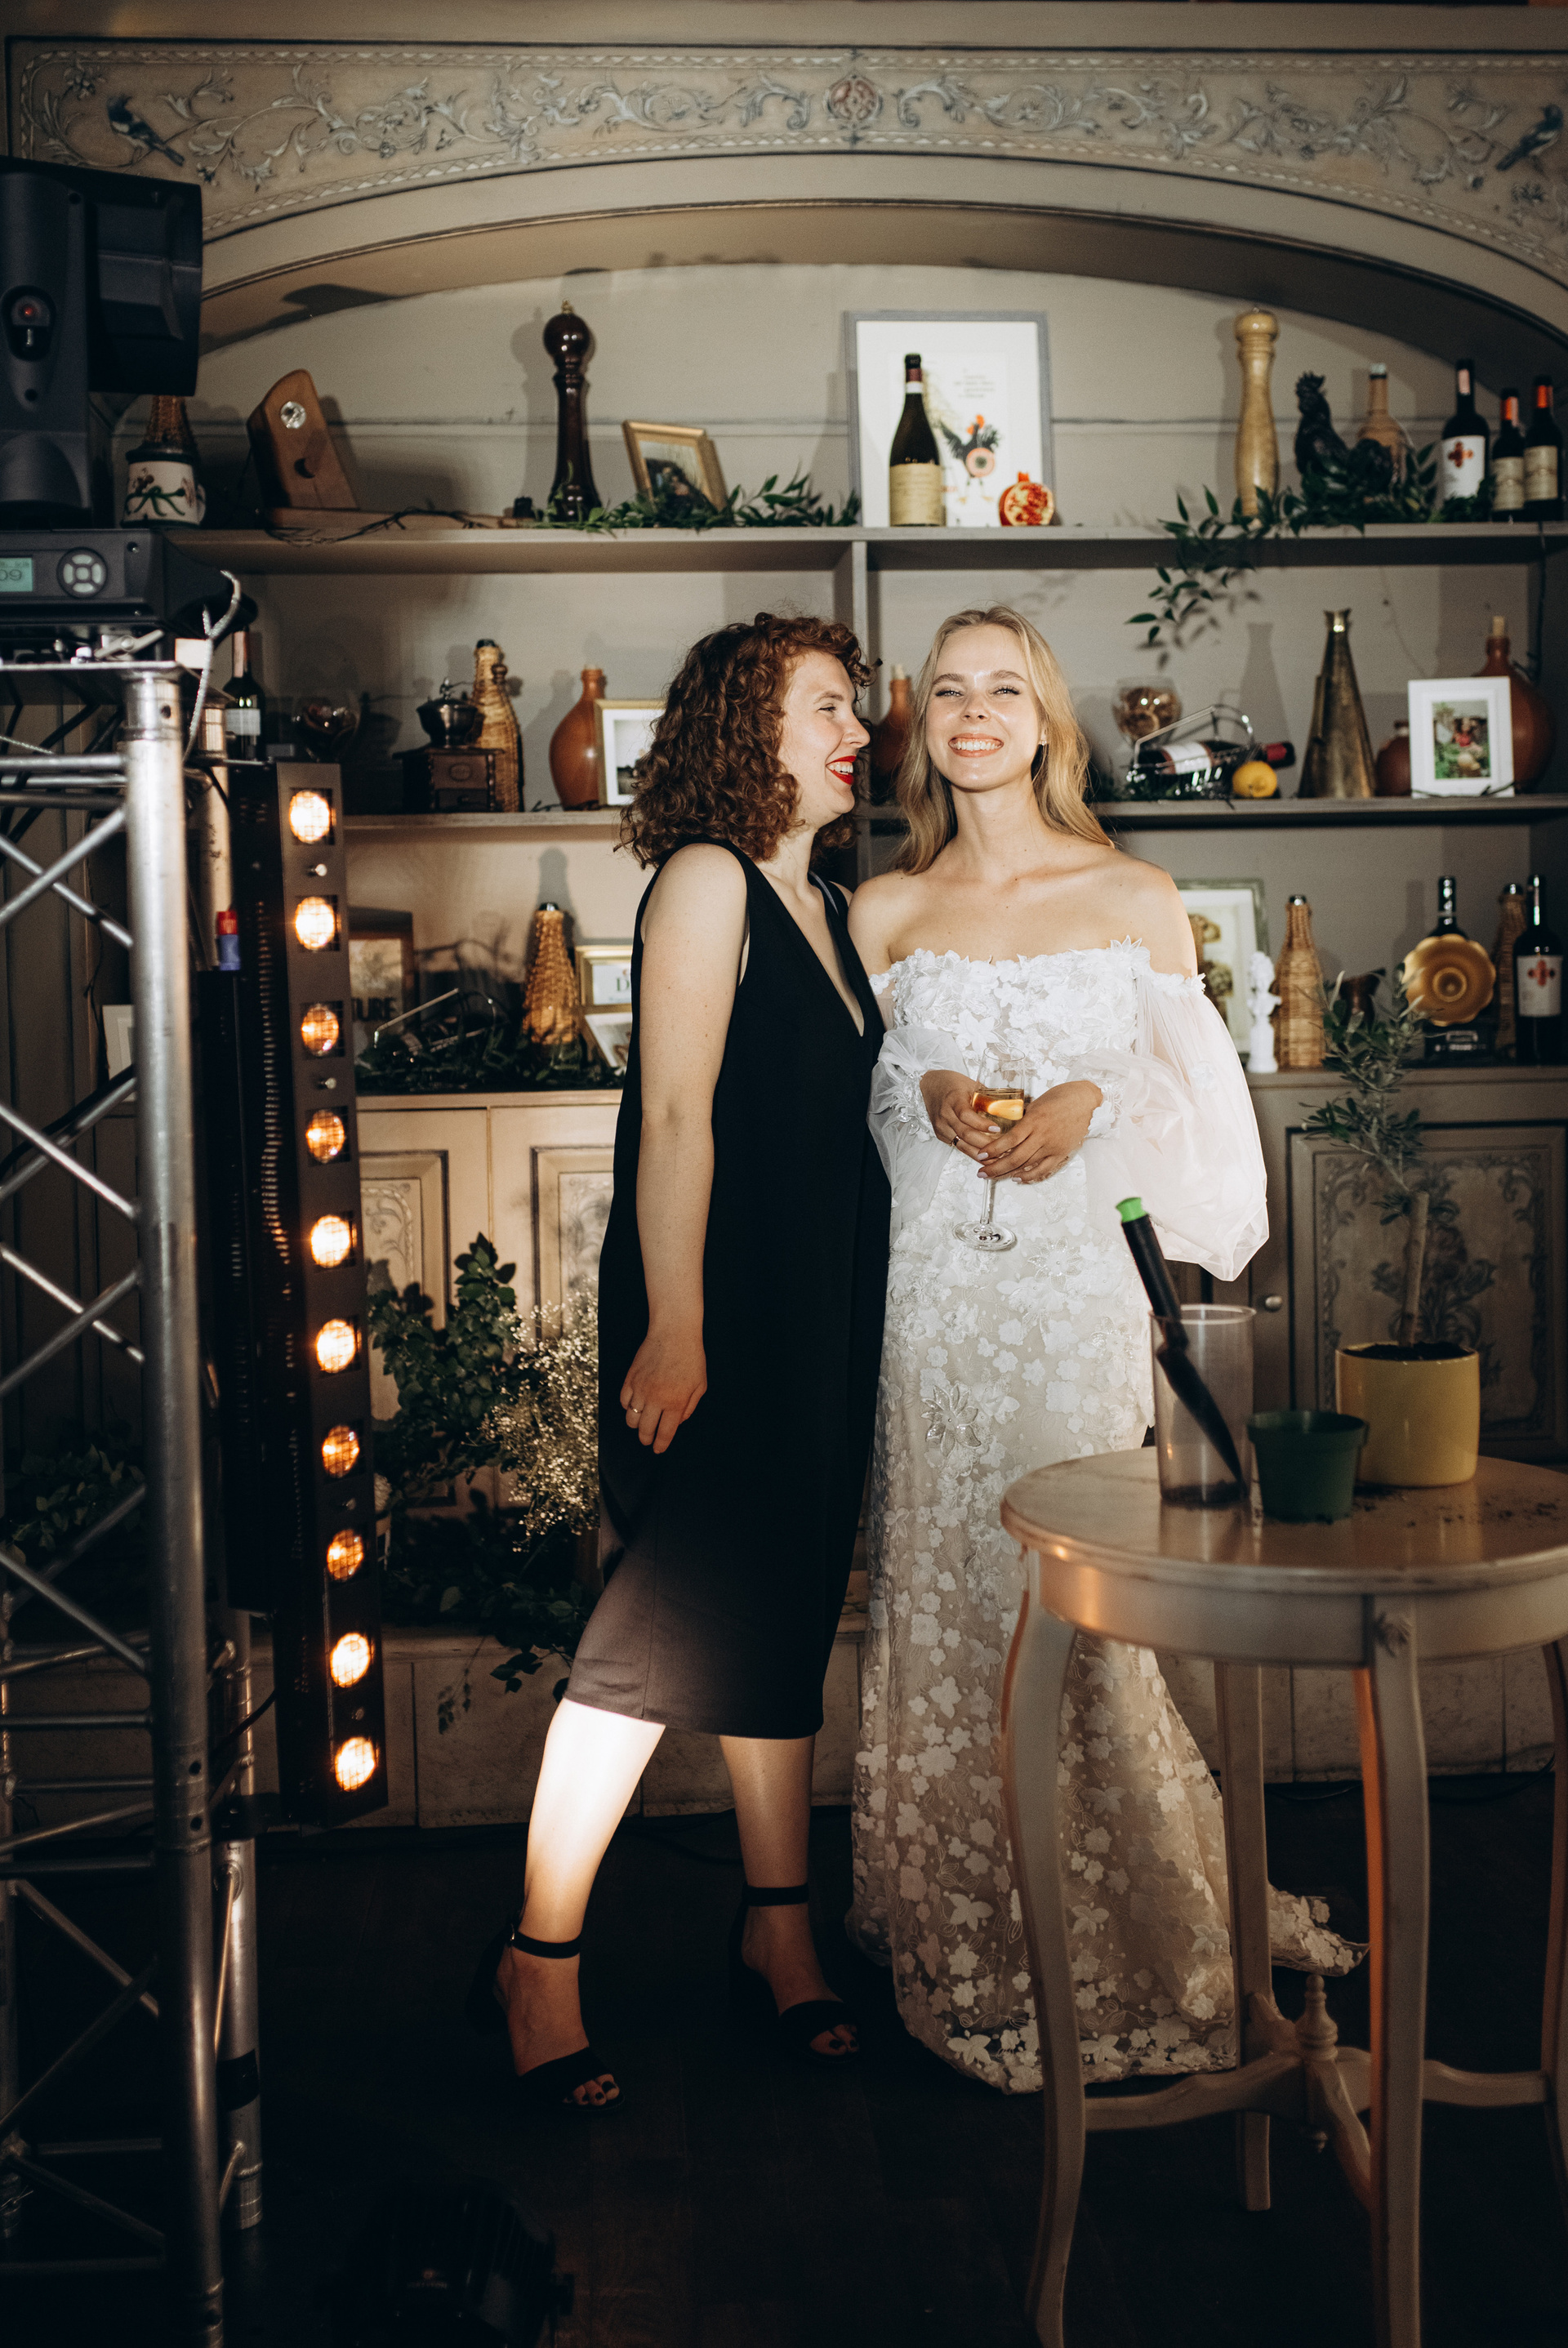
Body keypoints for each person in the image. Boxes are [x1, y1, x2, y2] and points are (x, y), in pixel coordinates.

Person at [845, 604, 1358, 2094]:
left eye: (1004, 689)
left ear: (1049, 723)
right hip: (936, 1299)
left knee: (1078, 1603)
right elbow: (864, 1108)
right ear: (923, 726)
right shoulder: (882, 911)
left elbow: (1204, 1118)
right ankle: (970, 1923)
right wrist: (928, 1091)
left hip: (1075, 1298)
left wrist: (1091, 1101)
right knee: (952, 1594)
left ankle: (1132, 1923)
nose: (974, 711)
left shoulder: (1136, 894)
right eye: (949, 690)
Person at [466, 613, 889, 2108]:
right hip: (720, 1311)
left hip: (819, 1308)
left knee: (779, 1613)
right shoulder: (708, 878)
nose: (859, 730)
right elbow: (676, 1116)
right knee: (643, 1649)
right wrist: (678, 1325)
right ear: (747, 728)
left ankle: (779, 1931)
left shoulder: (826, 900)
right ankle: (539, 1956)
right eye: (828, 706)